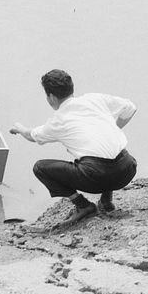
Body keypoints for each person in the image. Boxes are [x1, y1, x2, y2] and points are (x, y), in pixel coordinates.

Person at [10, 69, 138, 226]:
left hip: (97, 178)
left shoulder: (59, 119)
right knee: (101, 152)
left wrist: (19, 128)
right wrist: (115, 128)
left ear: (50, 97)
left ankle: (84, 206)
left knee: (40, 168)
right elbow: (130, 107)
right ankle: (106, 201)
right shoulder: (95, 99)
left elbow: (32, 136)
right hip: (127, 169)